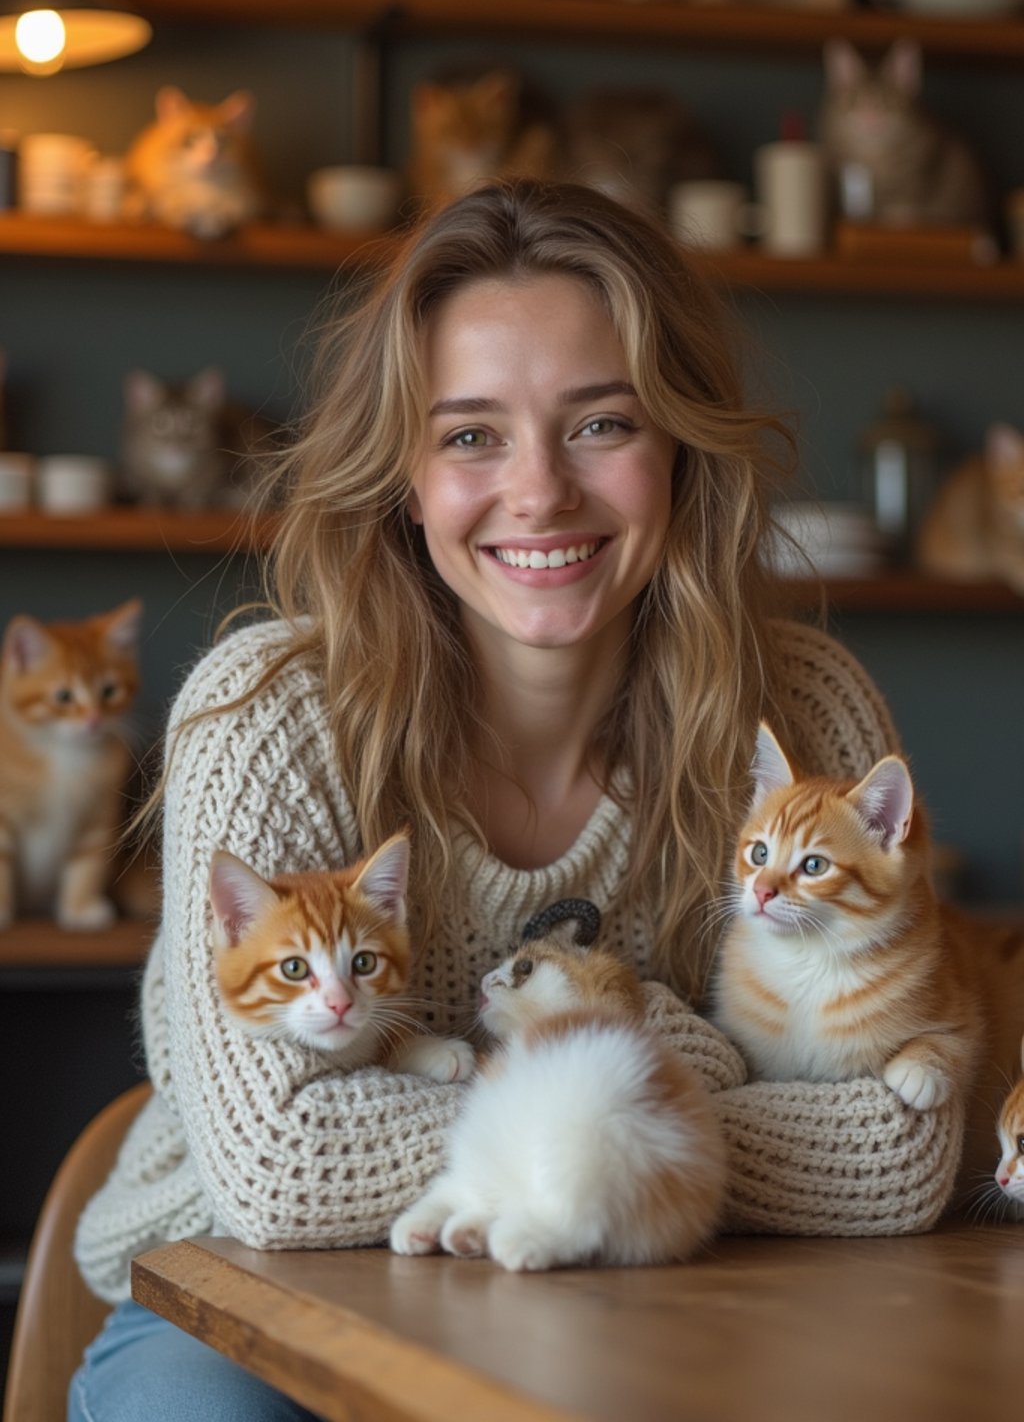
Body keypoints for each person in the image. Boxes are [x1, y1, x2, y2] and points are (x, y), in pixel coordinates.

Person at [69, 180, 962, 1421]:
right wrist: (654, 1087)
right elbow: (281, 1170)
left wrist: (605, 1125)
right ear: (403, 473)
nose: (538, 493)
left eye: (600, 425)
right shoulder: (264, 713)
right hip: (250, 1303)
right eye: (472, 434)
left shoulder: (801, 713)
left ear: (679, 446)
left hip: (676, 1298)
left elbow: (899, 1154)